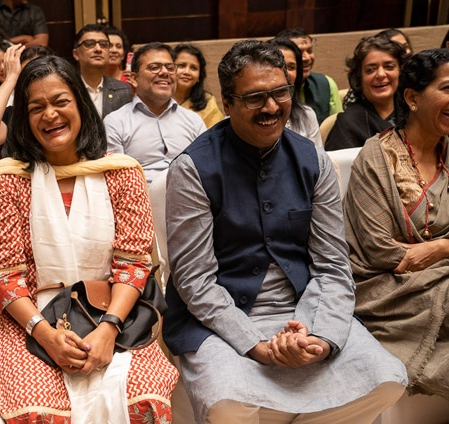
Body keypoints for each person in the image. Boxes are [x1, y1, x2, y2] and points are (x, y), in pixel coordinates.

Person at [163, 39, 407, 423]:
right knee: (226, 404)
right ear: (227, 104)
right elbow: (195, 282)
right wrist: (256, 344)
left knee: (388, 381)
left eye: (280, 93)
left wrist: (321, 338)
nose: (272, 107)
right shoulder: (193, 168)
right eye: (256, 97)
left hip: (303, 309)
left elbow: (332, 265)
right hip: (220, 317)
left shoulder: (314, 161)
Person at [0, 54, 178, 423]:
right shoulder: (6, 181)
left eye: (60, 102)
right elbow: (4, 278)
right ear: (23, 118)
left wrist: (108, 328)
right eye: (36, 107)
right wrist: (47, 335)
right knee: (37, 411)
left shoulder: (121, 173)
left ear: (81, 105)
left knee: (142, 399)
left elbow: (133, 265)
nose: (50, 115)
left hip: (114, 309)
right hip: (28, 315)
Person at [345, 48, 449, 404]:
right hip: (391, 295)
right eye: (448, 88)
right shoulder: (375, 158)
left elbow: (423, 252)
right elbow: (381, 251)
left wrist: (439, 247)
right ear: (412, 97)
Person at [105, 42, 206, 184]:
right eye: (154, 67)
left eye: (170, 68)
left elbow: (206, 170)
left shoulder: (194, 121)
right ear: (134, 79)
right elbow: (116, 180)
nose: (164, 72)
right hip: (139, 201)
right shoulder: (116, 122)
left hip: (188, 198)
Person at [0, 44, 53, 157]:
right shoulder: (15, 116)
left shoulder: (67, 108)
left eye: (42, 73)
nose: (37, 81)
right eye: (27, 76)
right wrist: (11, 78)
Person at [326, 37, 406, 151]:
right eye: (370, 70)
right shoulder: (348, 123)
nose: (381, 74)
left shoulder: (414, 112)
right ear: (359, 78)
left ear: (400, 72)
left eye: (389, 67)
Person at [276, 28, 343, 124]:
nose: (307, 58)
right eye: (299, 52)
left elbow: (337, 125)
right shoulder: (273, 92)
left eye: (310, 50)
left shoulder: (326, 83)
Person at [269, 38, 323, 146]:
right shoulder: (247, 113)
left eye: (291, 67)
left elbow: (317, 160)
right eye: (280, 66)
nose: (285, 73)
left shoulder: (307, 115)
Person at [72, 24, 132, 118]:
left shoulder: (124, 90)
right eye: (90, 44)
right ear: (76, 54)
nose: (98, 49)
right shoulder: (68, 88)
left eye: (104, 45)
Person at [172, 43, 225, 128]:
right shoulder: (158, 100)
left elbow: (216, 137)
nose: (187, 72)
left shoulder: (208, 103)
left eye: (193, 68)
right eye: (181, 66)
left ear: (199, 76)